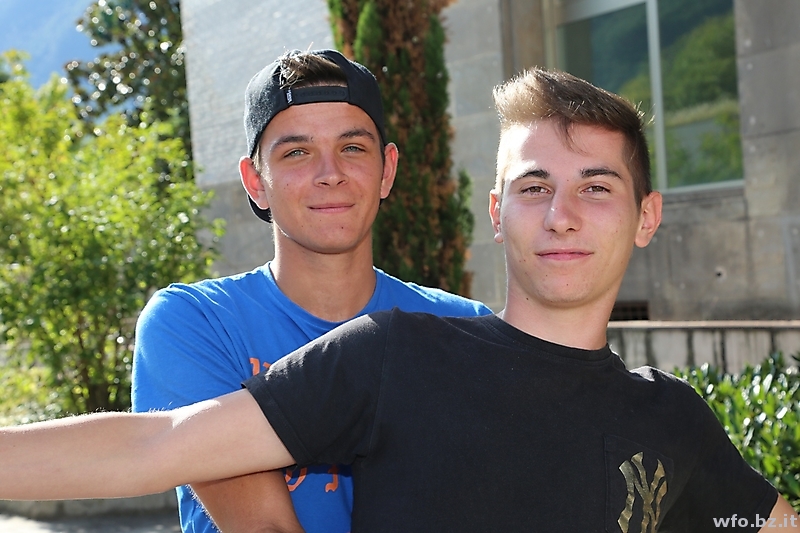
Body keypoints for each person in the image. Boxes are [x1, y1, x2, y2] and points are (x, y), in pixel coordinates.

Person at [1, 67, 798, 532]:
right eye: (534, 186)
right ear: (496, 213)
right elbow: (156, 444)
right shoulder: (397, 353)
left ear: (647, 216)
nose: (561, 214)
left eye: (596, 187)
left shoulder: (673, 417)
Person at [130, 48, 490, 533]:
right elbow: (265, 528)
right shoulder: (197, 323)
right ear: (256, 182)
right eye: (297, 152)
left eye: (353, 148)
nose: (330, 173)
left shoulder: (464, 329)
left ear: (387, 170)